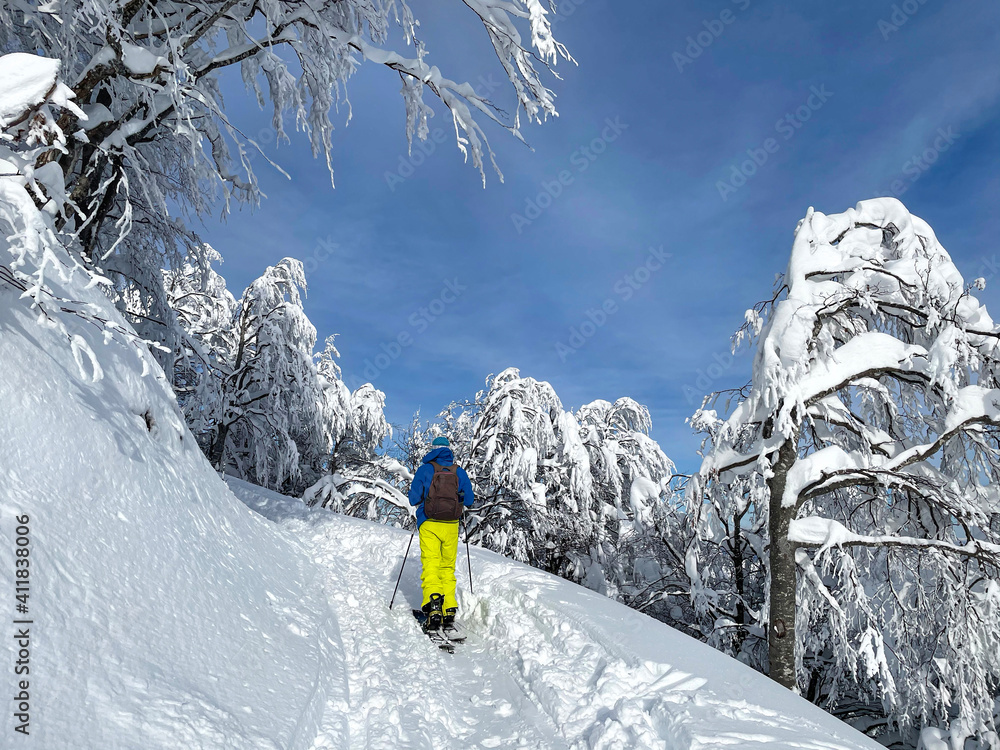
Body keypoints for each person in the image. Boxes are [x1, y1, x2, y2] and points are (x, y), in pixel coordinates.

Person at [407, 436, 475, 631]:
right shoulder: (458, 471)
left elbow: (413, 499)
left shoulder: (426, 469)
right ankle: (449, 608)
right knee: (447, 566)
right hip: (451, 525)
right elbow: (469, 500)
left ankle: (434, 607)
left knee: (431, 564)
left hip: (429, 522)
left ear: (433, 449)